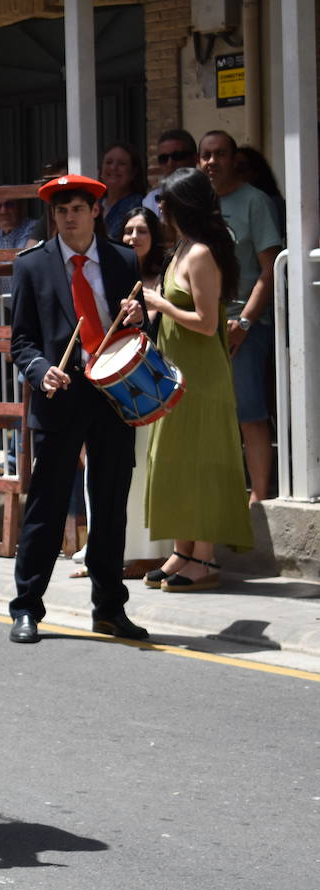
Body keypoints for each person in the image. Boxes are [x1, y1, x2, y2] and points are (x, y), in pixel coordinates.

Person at [6, 175, 150, 644]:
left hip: (112, 396)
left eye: (77, 208)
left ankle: (109, 608)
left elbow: (138, 331)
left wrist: (136, 318)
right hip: (60, 394)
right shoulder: (32, 265)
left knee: (110, 505)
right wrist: (41, 369)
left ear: (94, 213)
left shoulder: (123, 259)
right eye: (60, 209)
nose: (68, 217)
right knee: (46, 507)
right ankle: (27, 607)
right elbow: (21, 340)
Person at [137, 168, 254, 590]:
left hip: (201, 378)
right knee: (174, 460)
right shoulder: (183, 247)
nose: (161, 210)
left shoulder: (202, 252)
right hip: (177, 374)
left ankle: (204, 557)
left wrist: (159, 304)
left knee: (201, 460)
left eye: (166, 202)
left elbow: (207, 324)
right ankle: (182, 549)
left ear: (183, 205)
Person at [198, 129, 284, 504]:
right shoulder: (200, 206)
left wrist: (245, 323)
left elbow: (271, 270)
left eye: (219, 154)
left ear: (234, 159)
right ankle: (226, 494)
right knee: (213, 419)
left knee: (249, 413)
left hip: (244, 326)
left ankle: (259, 497)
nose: (212, 162)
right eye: (206, 155)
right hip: (204, 324)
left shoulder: (255, 202)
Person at [114, 206, 171, 577]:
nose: (134, 238)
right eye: (128, 231)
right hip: (120, 382)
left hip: (154, 380)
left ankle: (153, 553)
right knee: (126, 472)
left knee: (152, 467)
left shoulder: (165, 275)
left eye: (142, 231)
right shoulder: (116, 273)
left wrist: (146, 311)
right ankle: (123, 551)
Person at [98, 142, 147, 239]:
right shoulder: (93, 204)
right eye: (108, 162)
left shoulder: (140, 205)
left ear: (133, 172)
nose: (113, 167)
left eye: (121, 164)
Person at [144, 129, 197, 218]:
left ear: (195, 159)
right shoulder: (151, 200)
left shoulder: (209, 195)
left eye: (177, 156)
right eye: (164, 158)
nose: (170, 163)